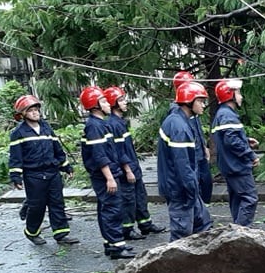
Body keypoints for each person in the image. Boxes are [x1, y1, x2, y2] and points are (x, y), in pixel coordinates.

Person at [7, 94, 80, 246]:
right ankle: (32, 232)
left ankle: (61, 234)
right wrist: (16, 176)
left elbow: (57, 149)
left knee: (57, 203)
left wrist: (66, 166)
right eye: (30, 110)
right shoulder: (18, 133)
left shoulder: (46, 128)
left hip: (52, 173)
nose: (35, 113)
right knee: (37, 206)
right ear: (23, 114)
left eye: (36, 109)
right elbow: (15, 157)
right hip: (34, 175)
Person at [79, 86, 135, 259]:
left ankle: (111, 244)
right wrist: (109, 178)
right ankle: (117, 246)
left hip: (111, 172)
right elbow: (99, 155)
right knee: (112, 209)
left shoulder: (102, 124)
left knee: (108, 208)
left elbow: (113, 151)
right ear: (94, 106)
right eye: (103, 101)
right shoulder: (94, 127)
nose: (107, 104)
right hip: (104, 176)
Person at [103, 86, 166, 239]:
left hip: (133, 166)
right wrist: (128, 170)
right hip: (126, 170)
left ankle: (145, 224)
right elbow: (119, 152)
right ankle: (127, 229)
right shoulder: (113, 124)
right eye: (121, 100)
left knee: (140, 196)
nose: (125, 102)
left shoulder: (120, 122)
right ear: (114, 103)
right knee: (128, 200)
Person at [157, 80, 213, 241]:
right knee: (181, 235)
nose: (203, 105)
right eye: (201, 101)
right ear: (189, 102)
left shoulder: (180, 121)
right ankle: (172, 265)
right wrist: (192, 189)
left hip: (185, 188)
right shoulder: (179, 126)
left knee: (203, 223)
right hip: (180, 190)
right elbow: (183, 164)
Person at [210, 78, 259, 226]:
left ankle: (236, 234)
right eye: (238, 93)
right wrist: (250, 155)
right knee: (250, 198)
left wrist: (245, 140)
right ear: (229, 94)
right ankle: (242, 234)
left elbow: (227, 138)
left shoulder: (222, 114)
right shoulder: (227, 115)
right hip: (237, 166)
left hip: (229, 165)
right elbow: (231, 141)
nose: (241, 96)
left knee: (237, 200)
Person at [171, 70, 213, 204]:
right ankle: (199, 215)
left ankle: (203, 211)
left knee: (206, 183)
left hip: (199, 153)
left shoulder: (193, 107)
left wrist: (204, 146)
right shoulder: (178, 111)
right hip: (191, 155)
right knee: (196, 187)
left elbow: (197, 129)